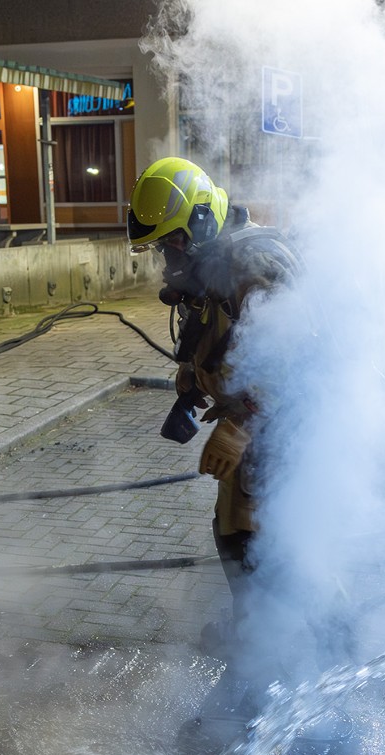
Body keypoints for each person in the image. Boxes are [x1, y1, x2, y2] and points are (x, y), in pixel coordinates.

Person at [126, 156, 299, 683]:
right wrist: (191, 375)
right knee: (233, 531)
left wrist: (240, 421)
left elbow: (291, 354)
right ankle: (255, 630)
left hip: (284, 429)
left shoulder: (256, 264)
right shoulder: (216, 263)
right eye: (161, 246)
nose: (167, 256)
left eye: (171, 243)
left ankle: (284, 651)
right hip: (250, 431)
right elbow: (215, 329)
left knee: (267, 541)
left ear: (201, 219)